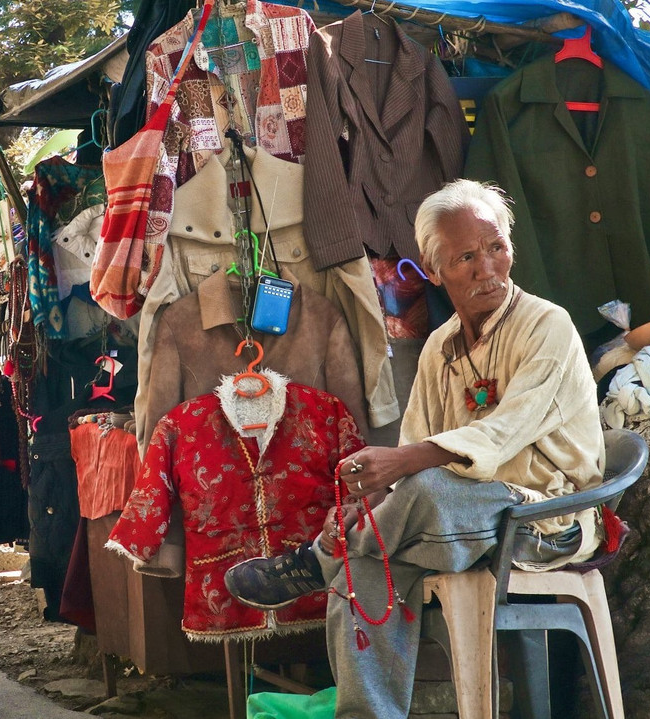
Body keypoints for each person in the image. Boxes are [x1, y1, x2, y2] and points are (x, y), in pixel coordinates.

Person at [225, 179, 605, 719]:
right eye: (466, 257)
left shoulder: (548, 326)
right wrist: (373, 503)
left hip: (542, 515)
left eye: (497, 247)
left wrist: (403, 467)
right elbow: (413, 460)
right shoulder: (438, 347)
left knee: (424, 491)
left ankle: (320, 561)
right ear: (434, 272)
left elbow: (502, 434)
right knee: (367, 566)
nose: (488, 268)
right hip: (451, 521)